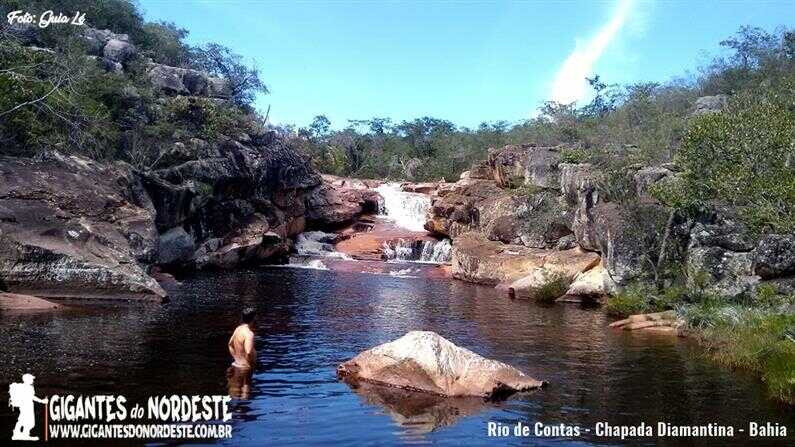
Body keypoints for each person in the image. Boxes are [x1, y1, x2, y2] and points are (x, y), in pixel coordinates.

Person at [227, 307, 257, 398]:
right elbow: (248, 352)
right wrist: (251, 365)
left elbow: (230, 344)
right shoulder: (249, 334)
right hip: (245, 368)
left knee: (234, 394)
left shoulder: (238, 329)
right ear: (253, 319)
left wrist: (236, 358)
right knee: (245, 396)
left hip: (236, 365)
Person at [9, 373, 48, 441]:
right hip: (26, 406)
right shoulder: (28, 388)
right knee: (27, 421)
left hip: (26, 405)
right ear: (27, 380)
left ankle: (18, 434)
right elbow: (32, 397)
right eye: (31, 379)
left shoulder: (28, 387)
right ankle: (22, 434)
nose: (33, 380)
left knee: (23, 420)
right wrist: (42, 401)